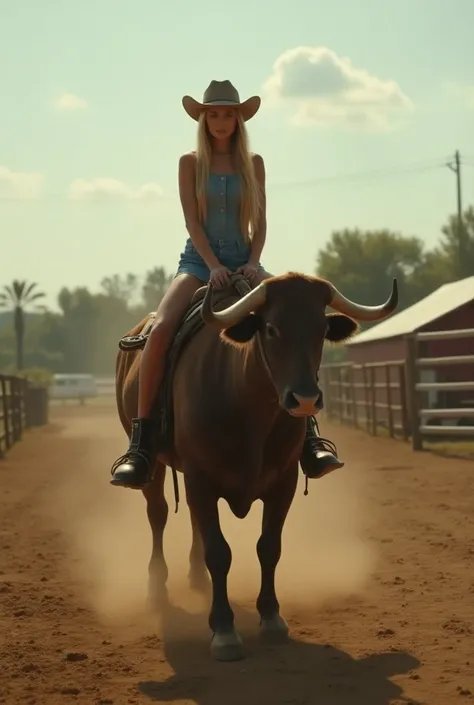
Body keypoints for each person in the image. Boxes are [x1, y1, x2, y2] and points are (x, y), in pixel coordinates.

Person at [110, 79, 344, 490]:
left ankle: (308, 438)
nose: (220, 121)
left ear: (239, 119)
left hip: (249, 266)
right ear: (203, 120)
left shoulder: (254, 163)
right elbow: (192, 222)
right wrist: (214, 266)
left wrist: (253, 262)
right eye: (213, 114)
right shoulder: (189, 163)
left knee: (295, 321)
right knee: (161, 329)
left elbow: (261, 220)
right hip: (198, 265)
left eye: (227, 114)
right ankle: (142, 442)